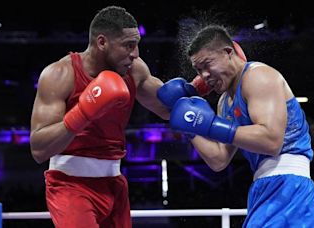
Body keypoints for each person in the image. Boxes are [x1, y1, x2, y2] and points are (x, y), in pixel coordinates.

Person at [30, 5, 210, 228]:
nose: (135, 53)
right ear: (102, 42)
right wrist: (83, 112)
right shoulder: (60, 74)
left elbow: (166, 108)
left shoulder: (134, 69)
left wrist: (201, 85)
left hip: (114, 184)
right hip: (70, 185)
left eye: (136, 45)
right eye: (128, 46)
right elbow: (39, 149)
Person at [167, 25, 314, 227]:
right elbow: (219, 159)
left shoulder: (258, 76)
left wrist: (212, 126)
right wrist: (190, 127)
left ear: (228, 53)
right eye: (198, 70)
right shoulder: (225, 102)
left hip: (290, 188)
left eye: (207, 65)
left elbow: (271, 141)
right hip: (263, 188)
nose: (204, 75)